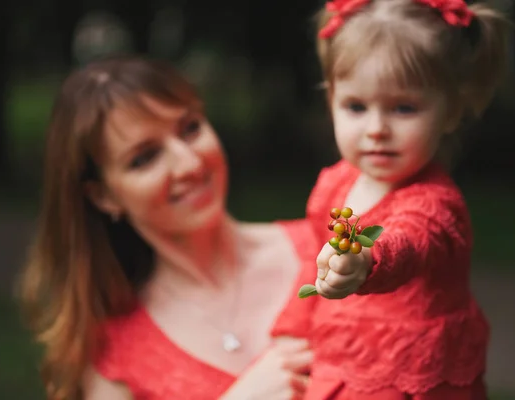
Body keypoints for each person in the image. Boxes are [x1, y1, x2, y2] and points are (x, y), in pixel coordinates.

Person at [18, 55, 316, 400]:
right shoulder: (114, 354)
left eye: (190, 129)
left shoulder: (330, 252)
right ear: (103, 196)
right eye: (145, 158)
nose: (189, 164)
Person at [271, 0, 511, 399]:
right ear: (331, 101)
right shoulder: (334, 184)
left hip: (411, 374)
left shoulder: (436, 202)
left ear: (450, 111)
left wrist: (366, 260)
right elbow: (314, 263)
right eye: (356, 106)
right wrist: (292, 328)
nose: (377, 129)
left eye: (403, 108)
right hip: (342, 358)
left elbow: (409, 242)